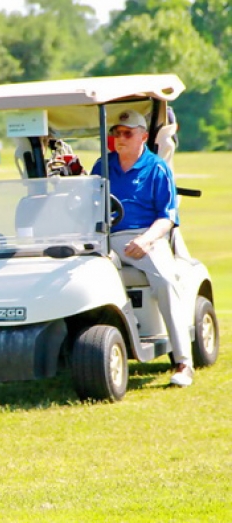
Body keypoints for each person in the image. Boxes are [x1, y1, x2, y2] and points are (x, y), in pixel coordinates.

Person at [91, 109, 194, 387]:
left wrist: (147, 240)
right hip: (105, 238)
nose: (120, 138)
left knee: (165, 280)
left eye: (127, 133)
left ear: (143, 137)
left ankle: (183, 361)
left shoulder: (156, 168)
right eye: (116, 133)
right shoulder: (102, 165)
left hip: (145, 237)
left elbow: (167, 217)